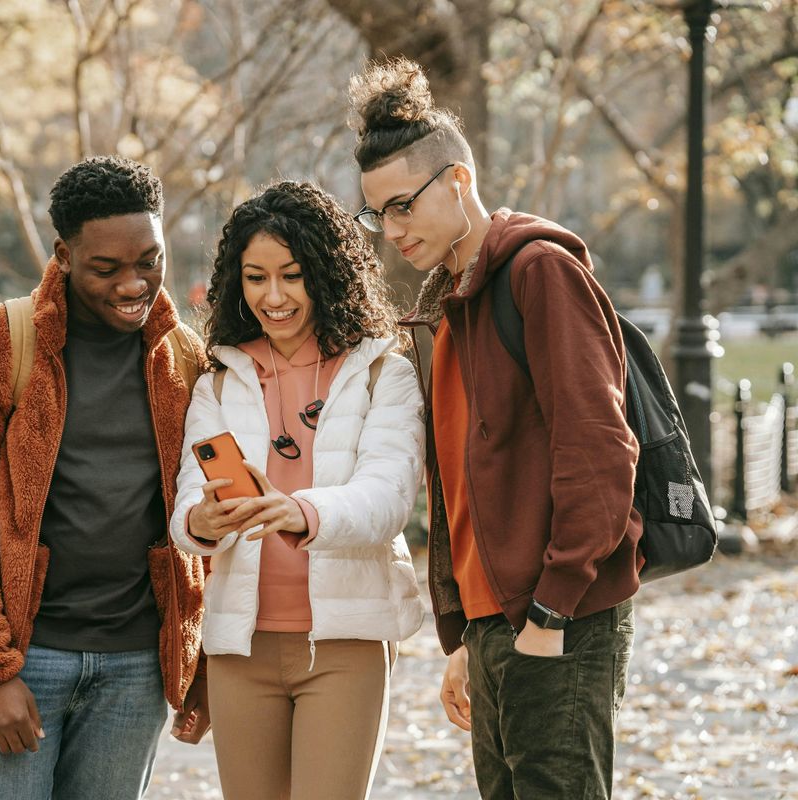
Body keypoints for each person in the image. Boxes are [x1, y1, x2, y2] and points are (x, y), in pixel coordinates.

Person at [347, 58, 641, 799]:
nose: (391, 231)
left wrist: (551, 610)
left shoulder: (539, 273)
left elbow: (600, 449)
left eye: (403, 206)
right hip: (495, 625)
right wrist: (466, 635)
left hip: (557, 615)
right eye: (378, 214)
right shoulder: (446, 304)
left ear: (458, 180)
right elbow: (460, 482)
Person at [0, 156, 210, 800]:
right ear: (64, 255)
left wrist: (197, 660)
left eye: (150, 261)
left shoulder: (186, 359)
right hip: (23, 658)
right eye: (106, 268)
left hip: (135, 667)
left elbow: (205, 515)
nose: (133, 284)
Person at [170, 180, 426, 800]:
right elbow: (186, 507)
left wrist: (298, 510)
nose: (274, 296)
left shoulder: (381, 373)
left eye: (292, 275)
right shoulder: (218, 382)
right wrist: (202, 522)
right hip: (239, 648)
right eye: (256, 277)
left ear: (326, 273)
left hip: (345, 644)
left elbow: (389, 497)